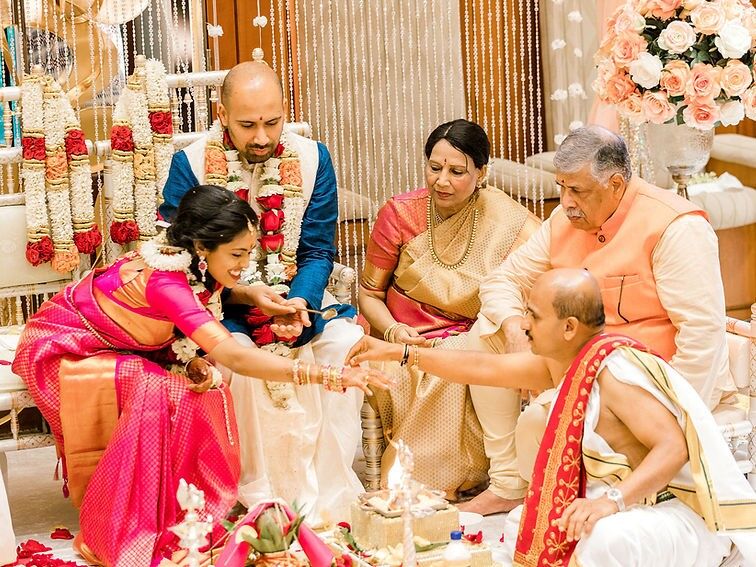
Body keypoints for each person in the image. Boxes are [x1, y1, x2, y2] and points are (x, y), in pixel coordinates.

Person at [12, 186, 390, 567]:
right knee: (159, 390)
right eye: (238, 254)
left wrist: (251, 295)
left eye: (249, 251)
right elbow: (233, 356)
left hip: (127, 343)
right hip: (69, 347)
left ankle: (186, 511)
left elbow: (209, 296)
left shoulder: (187, 259)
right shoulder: (166, 282)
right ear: (203, 246)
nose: (245, 262)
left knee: (206, 386)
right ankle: (131, 521)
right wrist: (327, 375)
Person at [347, 269, 756, 567]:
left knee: (601, 539)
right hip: (631, 505)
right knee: (524, 522)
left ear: (569, 327)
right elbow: (479, 368)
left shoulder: (615, 372)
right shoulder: (565, 363)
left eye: (533, 315)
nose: (524, 324)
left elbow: (673, 447)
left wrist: (612, 503)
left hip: (680, 514)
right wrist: (398, 352)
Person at [463, 124, 735, 514]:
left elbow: (703, 335)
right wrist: (513, 329)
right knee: (485, 332)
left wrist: (671, 424)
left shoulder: (675, 226)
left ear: (617, 183)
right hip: (572, 363)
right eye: (562, 187)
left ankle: (575, 499)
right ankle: (508, 484)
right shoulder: (563, 219)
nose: (566, 202)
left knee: (535, 425)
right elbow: (502, 281)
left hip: (639, 378)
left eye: (578, 191)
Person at [160, 61, 365, 523]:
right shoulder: (190, 163)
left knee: (342, 347)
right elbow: (181, 261)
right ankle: (260, 500)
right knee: (242, 364)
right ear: (222, 114)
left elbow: (317, 250)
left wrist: (298, 303)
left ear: (285, 111)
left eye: (272, 122)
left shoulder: (314, 160)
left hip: (300, 301)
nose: (261, 137)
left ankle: (325, 498)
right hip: (222, 307)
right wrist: (247, 296)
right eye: (247, 124)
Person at [358, 118, 539, 498]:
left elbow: (547, 265)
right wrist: (392, 330)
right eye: (434, 167)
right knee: (442, 362)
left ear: (481, 172)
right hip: (402, 335)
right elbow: (368, 294)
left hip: (467, 335)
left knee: (467, 352)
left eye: (457, 172)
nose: (442, 181)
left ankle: (462, 480)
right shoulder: (400, 214)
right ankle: (431, 482)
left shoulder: (504, 218)